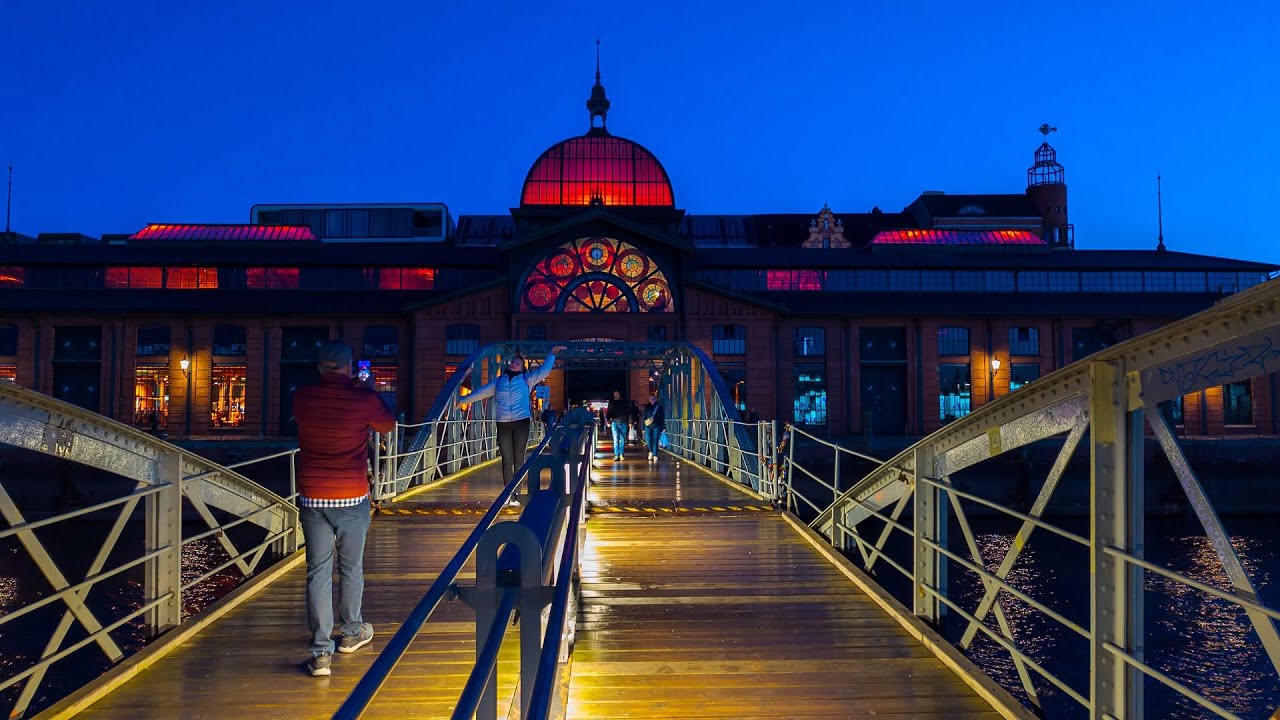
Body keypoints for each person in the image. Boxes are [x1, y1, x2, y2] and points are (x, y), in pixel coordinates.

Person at [292, 342, 395, 677]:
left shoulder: (302, 397)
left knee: (318, 573)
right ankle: (351, 633)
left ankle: (321, 653)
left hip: (313, 498)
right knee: (351, 569)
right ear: (350, 368)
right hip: (351, 498)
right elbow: (388, 425)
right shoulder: (363, 399)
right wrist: (368, 390)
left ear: (320, 367)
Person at [470, 346, 566, 498]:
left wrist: (551, 354)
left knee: (518, 458)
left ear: (522, 369)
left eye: (517, 363)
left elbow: (544, 372)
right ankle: (509, 494)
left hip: (521, 422)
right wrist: (462, 400)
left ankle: (517, 492)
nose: (513, 364)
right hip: (503, 423)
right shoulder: (499, 381)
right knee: (507, 460)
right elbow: (481, 392)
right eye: (513, 362)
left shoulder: (526, 380)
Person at [606, 390, 629, 461]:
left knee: (622, 439)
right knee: (616, 439)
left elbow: (629, 411)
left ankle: (621, 454)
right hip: (615, 422)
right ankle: (617, 454)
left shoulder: (624, 402)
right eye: (615, 394)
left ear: (619, 394)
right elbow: (609, 412)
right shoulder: (612, 402)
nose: (616, 395)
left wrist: (630, 421)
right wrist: (608, 420)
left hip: (623, 421)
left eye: (617, 394)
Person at [643, 393, 665, 462]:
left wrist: (663, 427)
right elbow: (644, 417)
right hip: (648, 426)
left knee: (655, 440)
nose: (652, 400)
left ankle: (655, 455)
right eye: (650, 399)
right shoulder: (647, 407)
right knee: (648, 440)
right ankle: (651, 451)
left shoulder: (659, 407)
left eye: (653, 399)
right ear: (649, 400)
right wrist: (643, 428)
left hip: (657, 425)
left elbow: (662, 417)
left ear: (656, 399)